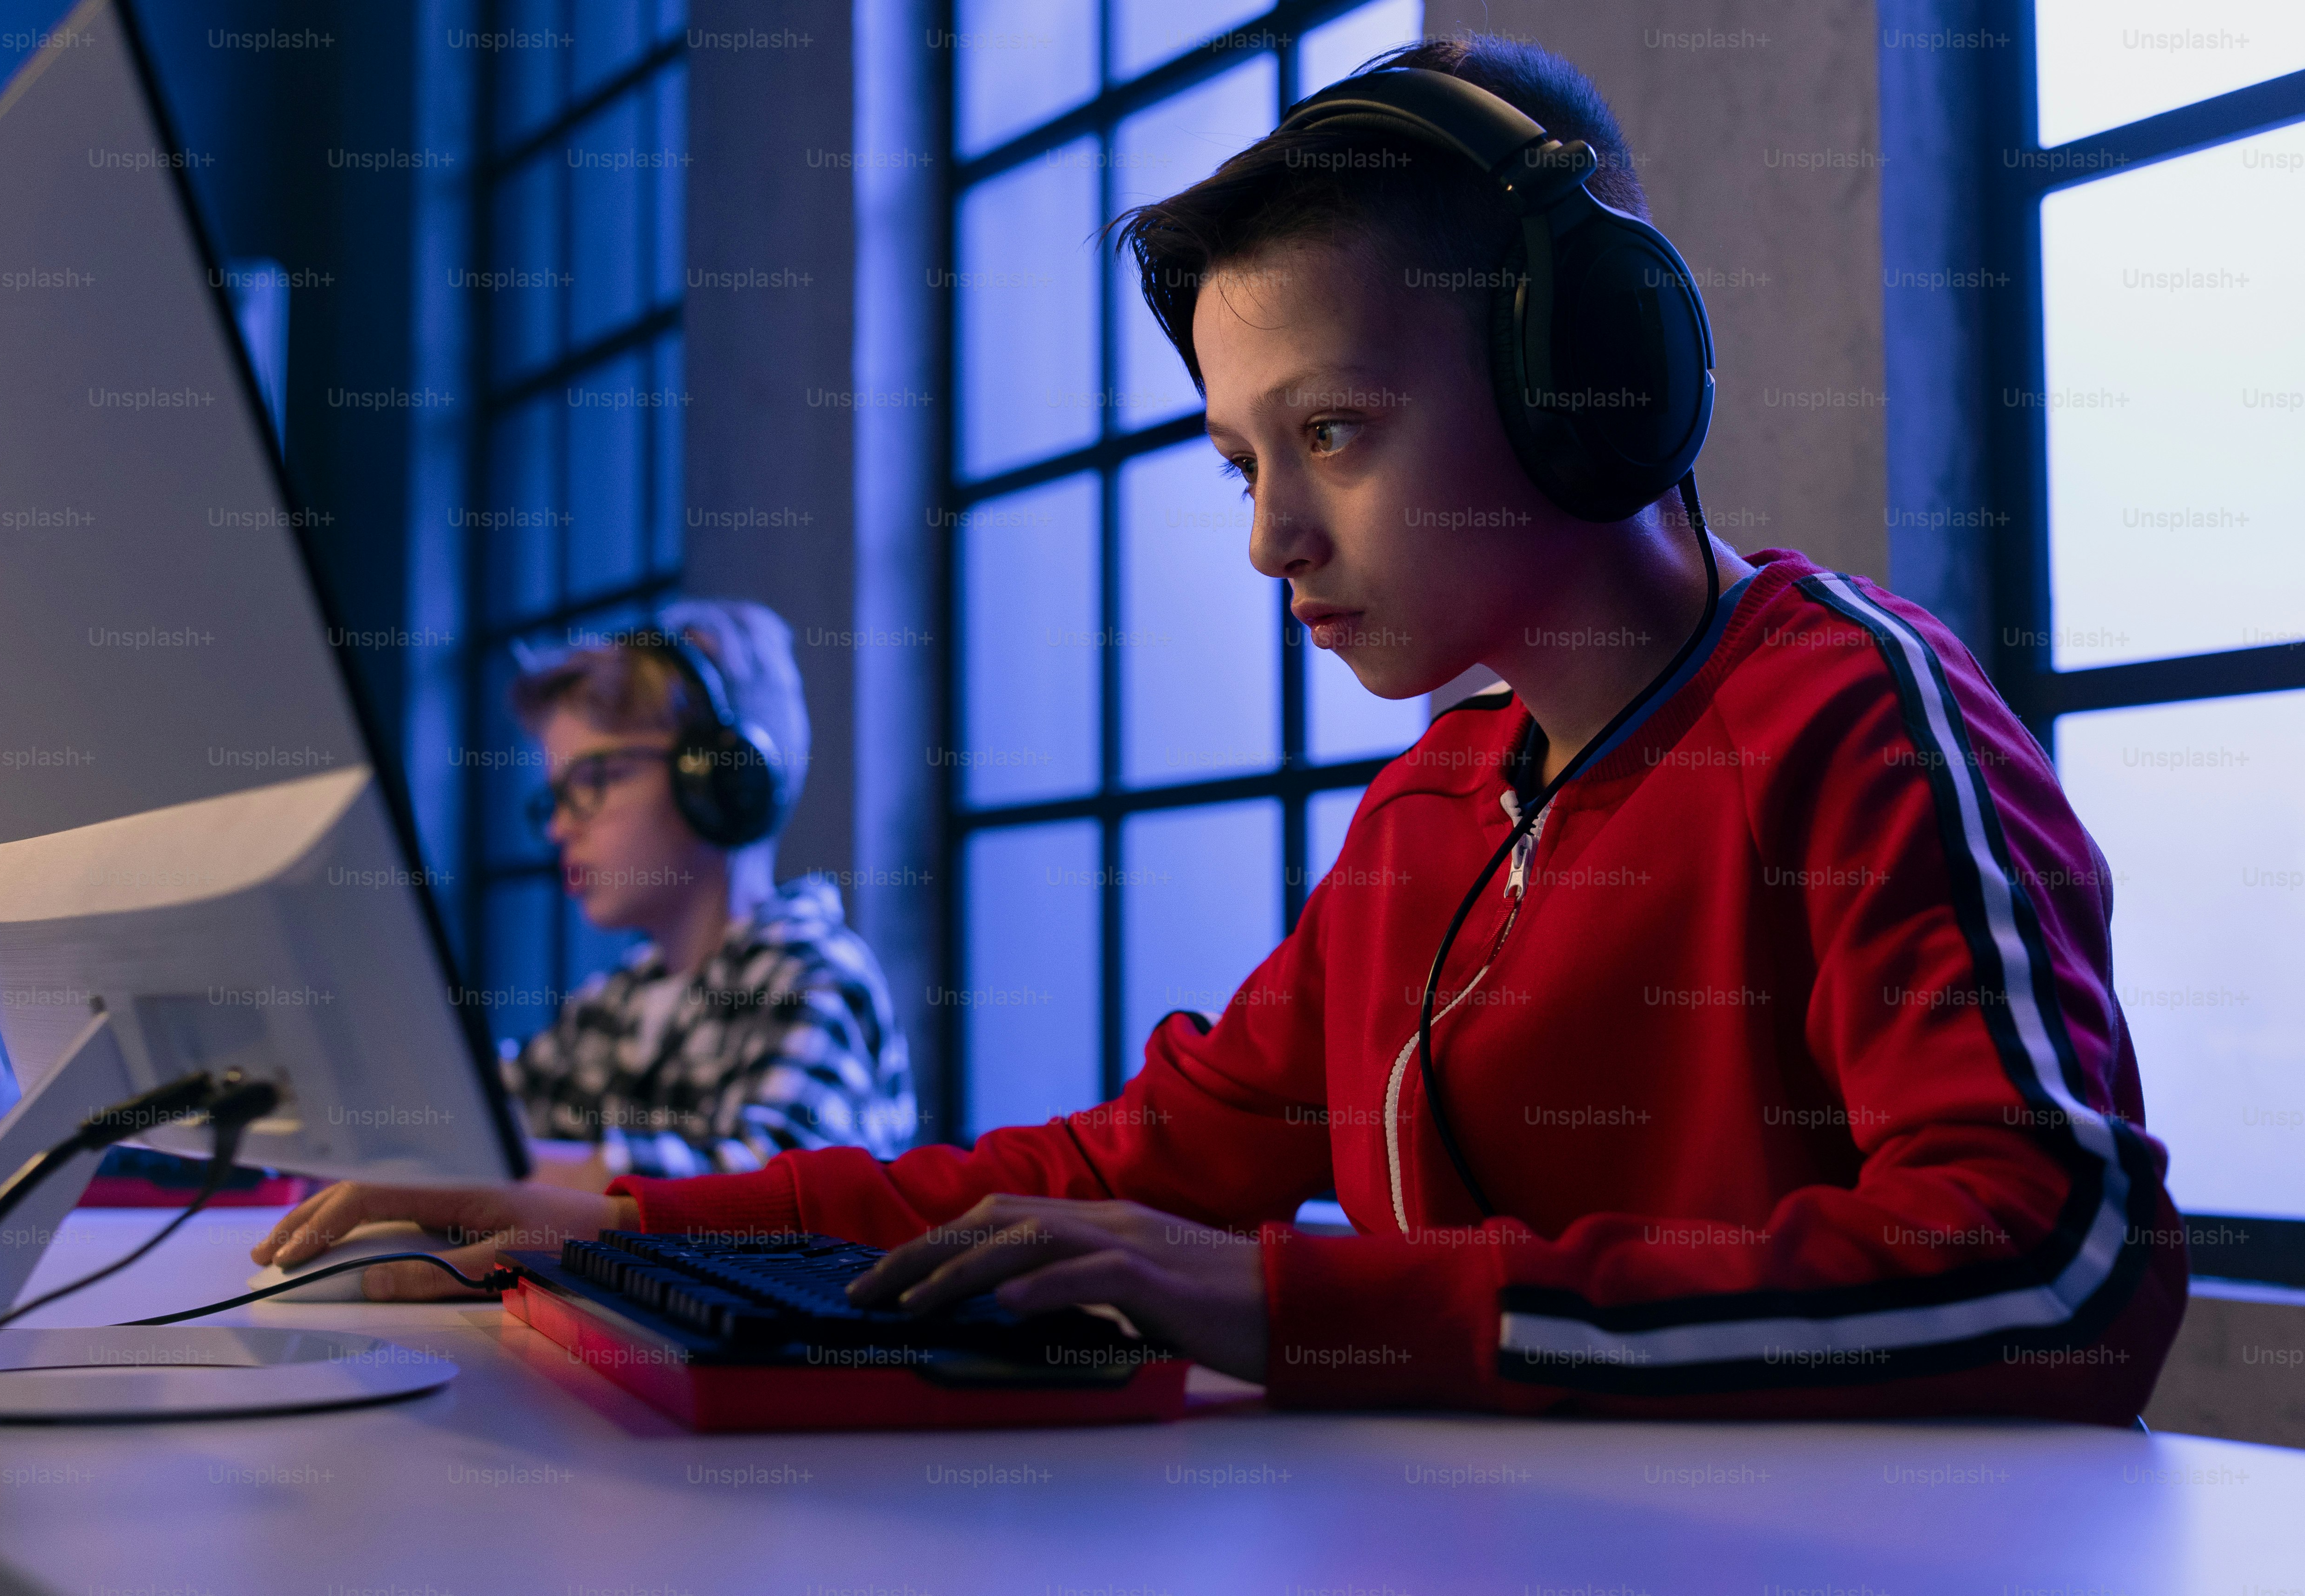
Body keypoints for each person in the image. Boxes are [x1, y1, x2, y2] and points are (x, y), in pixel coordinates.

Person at [254, 36, 2184, 1426]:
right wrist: (581, 1214)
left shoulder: (1851, 715)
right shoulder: (1431, 813)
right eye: (1241, 459)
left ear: (1585, 374)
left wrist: (1292, 1303)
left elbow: (2043, 1272)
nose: (1266, 535)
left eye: (1330, 434)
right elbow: (1113, 1172)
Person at [489, 600, 912, 1189]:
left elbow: (770, 1192)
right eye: (555, 797)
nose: (561, 827)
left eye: (595, 780)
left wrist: (504, 1175)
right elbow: (481, 1118)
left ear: (720, 780)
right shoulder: (614, 1005)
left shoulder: (816, 980)